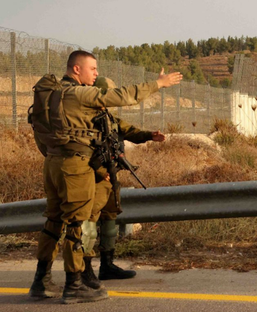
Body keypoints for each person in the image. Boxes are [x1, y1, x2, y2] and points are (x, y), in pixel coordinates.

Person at [28, 50, 182, 304]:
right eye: (93, 69)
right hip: (75, 167)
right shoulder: (78, 94)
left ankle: (40, 280)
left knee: (54, 222)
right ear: (76, 69)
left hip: (54, 163)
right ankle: (74, 285)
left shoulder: (53, 95)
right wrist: (158, 84)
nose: (96, 74)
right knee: (78, 224)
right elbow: (121, 96)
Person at [80, 76, 166, 288]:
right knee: (89, 223)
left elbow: (127, 130)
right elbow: (80, 150)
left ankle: (107, 266)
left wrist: (149, 135)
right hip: (94, 177)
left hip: (111, 174)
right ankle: (85, 269)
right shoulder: (83, 117)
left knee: (110, 217)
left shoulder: (107, 116)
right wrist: (100, 171)